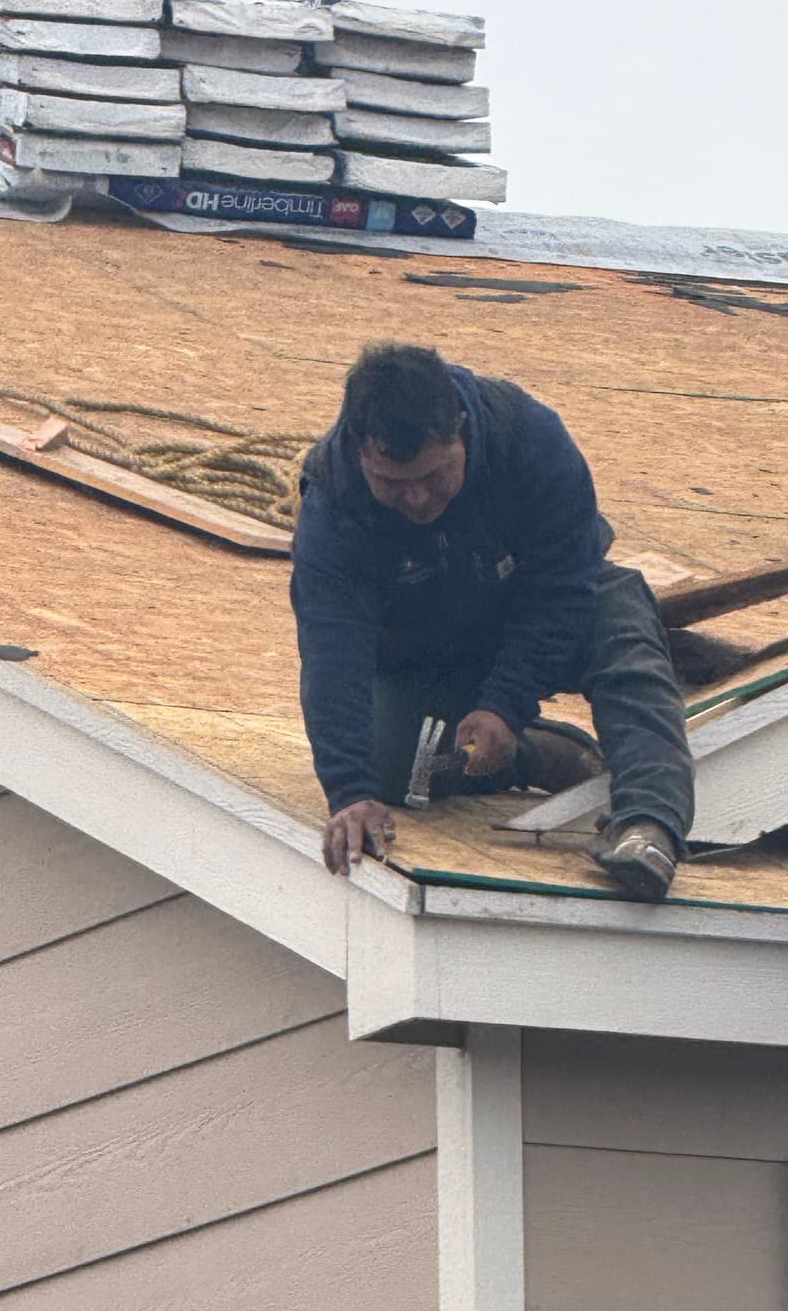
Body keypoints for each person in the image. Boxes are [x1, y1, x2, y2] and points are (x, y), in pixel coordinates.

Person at [293, 342, 695, 902]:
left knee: (626, 635)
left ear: (460, 429)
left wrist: (504, 704)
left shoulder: (530, 438)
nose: (417, 499)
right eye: (391, 483)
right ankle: (537, 754)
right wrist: (349, 792)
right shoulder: (334, 501)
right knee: (393, 768)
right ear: (360, 451)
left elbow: (561, 588)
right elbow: (333, 651)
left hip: (543, 604)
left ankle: (649, 823)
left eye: (434, 475)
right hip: (427, 640)